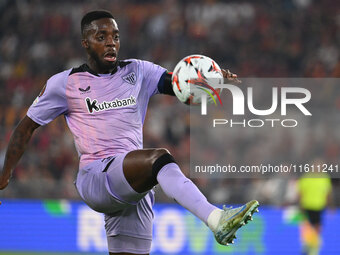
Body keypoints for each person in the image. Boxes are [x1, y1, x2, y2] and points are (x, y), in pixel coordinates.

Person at [0, 10, 259, 255]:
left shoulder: (138, 71)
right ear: (85, 43)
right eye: (101, 37)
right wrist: (4, 175)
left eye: (115, 36)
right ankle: (216, 219)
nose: (110, 43)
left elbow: (178, 84)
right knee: (160, 159)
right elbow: (26, 128)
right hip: (97, 176)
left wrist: (210, 79)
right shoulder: (65, 83)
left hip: (132, 187)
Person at [297, 168, 333, 255]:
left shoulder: (325, 178)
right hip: (307, 206)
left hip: (319, 207)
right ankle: (307, 246)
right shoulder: (306, 177)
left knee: (317, 228)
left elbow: (327, 193)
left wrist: (330, 206)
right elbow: (301, 192)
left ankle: (313, 248)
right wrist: (300, 205)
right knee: (307, 227)